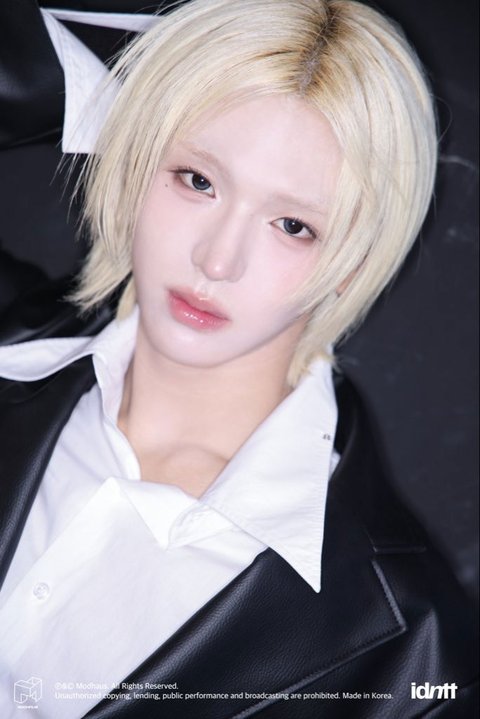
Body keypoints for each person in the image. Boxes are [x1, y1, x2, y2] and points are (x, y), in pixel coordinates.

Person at [0, 1, 477, 717]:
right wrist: (113, 74)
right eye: (198, 180)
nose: (217, 260)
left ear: (353, 260)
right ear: (137, 158)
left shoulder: (417, 659)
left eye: (293, 225)